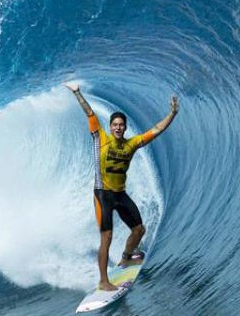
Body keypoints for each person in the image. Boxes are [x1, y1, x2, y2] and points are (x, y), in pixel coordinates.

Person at [65, 83, 179, 291]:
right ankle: (103, 281)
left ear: (125, 128)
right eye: (115, 124)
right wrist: (77, 92)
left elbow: (155, 131)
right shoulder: (100, 137)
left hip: (120, 194)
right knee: (106, 237)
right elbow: (89, 112)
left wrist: (172, 114)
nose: (118, 127)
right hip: (102, 195)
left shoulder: (131, 144)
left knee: (139, 230)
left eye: (121, 125)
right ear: (110, 126)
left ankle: (126, 257)